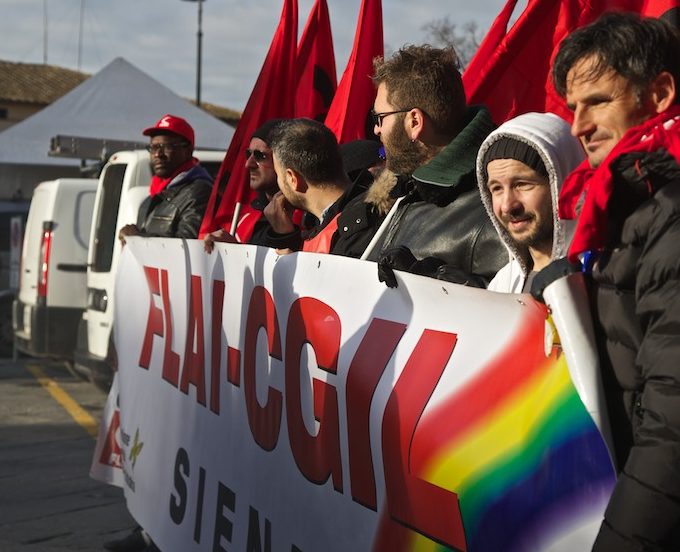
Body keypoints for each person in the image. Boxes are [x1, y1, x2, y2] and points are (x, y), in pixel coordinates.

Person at [549, 12, 680, 550]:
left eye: (598, 101)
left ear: (660, 94)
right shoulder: (621, 203)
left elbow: (672, 417)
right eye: (573, 108)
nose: (577, 126)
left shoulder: (670, 210)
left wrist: (622, 538)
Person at [361, 44, 506, 288]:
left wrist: (434, 281)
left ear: (414, 122)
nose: (376, 129)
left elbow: (517, 303)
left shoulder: (496, 207)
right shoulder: (409, 190)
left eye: (380, 118)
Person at [476, 112, 585, 293]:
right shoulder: (502, 285)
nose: (508, 206)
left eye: (522, 184)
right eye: (497, 188)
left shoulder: (603, 274)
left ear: (562, 184)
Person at [262, 118, 362, 254]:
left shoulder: (355, 231)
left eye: (278, 174)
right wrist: (285, 237)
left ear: (292, 179)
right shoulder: (357, 216)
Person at [118, 114, 212, 244]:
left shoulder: (199, 192)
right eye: (153, 147)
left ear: (188, 150)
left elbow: (189, 247)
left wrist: (138, 239)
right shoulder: (154, 196)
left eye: (167, 146)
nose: (158, 154)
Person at [203, 119, 283, 252]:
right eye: (248, 154)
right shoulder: (248, 218)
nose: (248, 164)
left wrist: (236, 252)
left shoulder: (304, 220)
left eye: (260, 156)